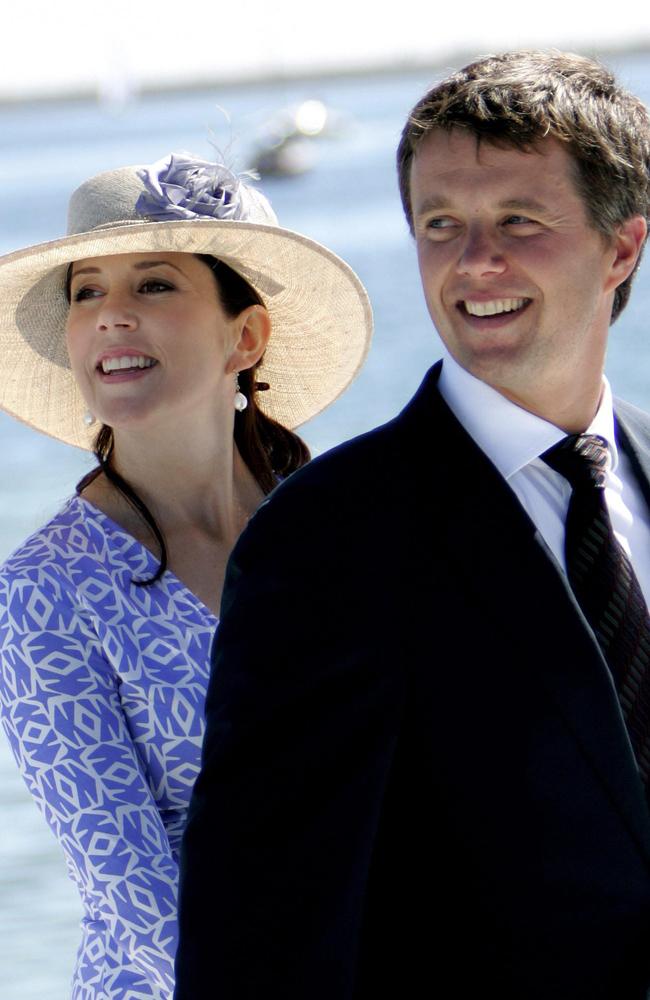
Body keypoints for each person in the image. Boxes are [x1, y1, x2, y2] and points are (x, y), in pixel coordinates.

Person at [174, 51, 650, 1000]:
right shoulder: (324, 543)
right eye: (442, 226)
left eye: (519, 220)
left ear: (622, 249)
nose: (476, 262)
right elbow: (254, 930)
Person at [0, 151, 372, 1000]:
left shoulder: (342, 537)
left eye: (155, 285)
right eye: (87, 291)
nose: (110, 317)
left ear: (246, 336)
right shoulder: (42, 594)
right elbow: (133, 901)